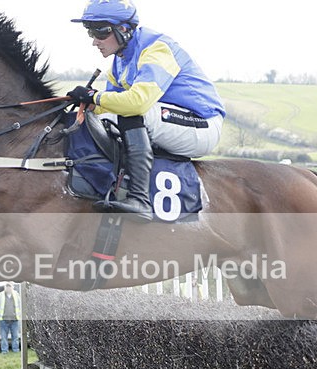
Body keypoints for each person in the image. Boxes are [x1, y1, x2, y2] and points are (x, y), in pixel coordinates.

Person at [68, 0, 225, 221]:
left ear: (123, 29)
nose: (94, 41)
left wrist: (95, 96)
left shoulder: (157, 49)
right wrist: (90, 104)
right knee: (105, 121)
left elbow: (137, 103)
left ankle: (139, 198)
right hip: (168, 119)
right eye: (90, 33)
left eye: (100, 33)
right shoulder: (118, 62)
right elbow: (109, 107)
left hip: (201, 124)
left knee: (133, 114)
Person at [0, 282, 21, 353]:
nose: (8, 288)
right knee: (4, 337)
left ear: (12, 287)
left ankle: (16, 350)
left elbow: (20, 305)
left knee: (15, 337)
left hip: (14, 320)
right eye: (7, 287)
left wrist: (19, 315)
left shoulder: (16, 295)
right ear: (5, 288)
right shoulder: (1, 295)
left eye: (9, 286)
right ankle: (4, 351)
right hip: (4, 320)